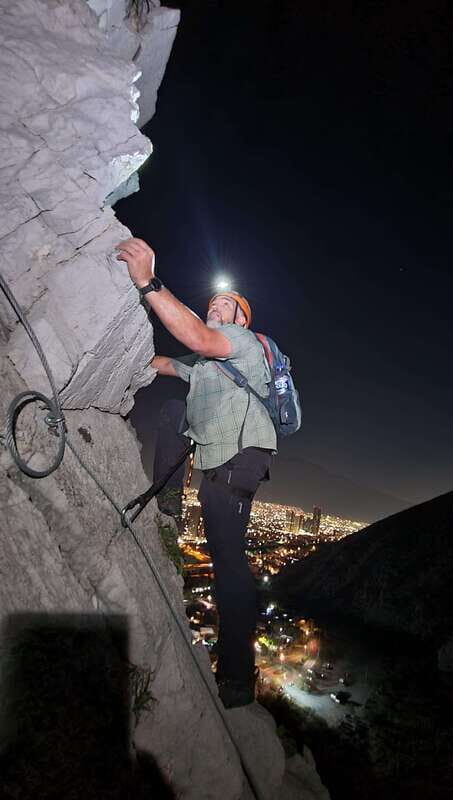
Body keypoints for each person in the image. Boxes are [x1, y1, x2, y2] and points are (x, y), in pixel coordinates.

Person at [115, 237, 276, 708]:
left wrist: (148, 282)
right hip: (216, 455)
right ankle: (168, 504)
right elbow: (165, 363)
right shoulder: (207, 367)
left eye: (226, 305)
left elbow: (197, 336)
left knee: (228, 563)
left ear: (242, 320)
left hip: (238, 459)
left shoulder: (245, 344)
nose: (217, 307)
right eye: (213, 302)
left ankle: (238, 679)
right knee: (171, 411)